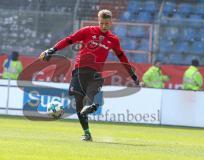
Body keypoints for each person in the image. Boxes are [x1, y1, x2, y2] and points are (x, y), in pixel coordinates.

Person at [39, 9, 140, 141]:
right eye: (102, 23)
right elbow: (69, 40)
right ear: (99, 21)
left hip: (95, 73)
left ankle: (93, 105)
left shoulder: (113, 40)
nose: (104, 26)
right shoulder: (87, 31)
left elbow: (122, 57)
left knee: (91, 96)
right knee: (79, 104)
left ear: (111, 23)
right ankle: (87, 133)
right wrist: (52, 50)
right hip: (79, 71)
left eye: (107, 23)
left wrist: (132, 74)